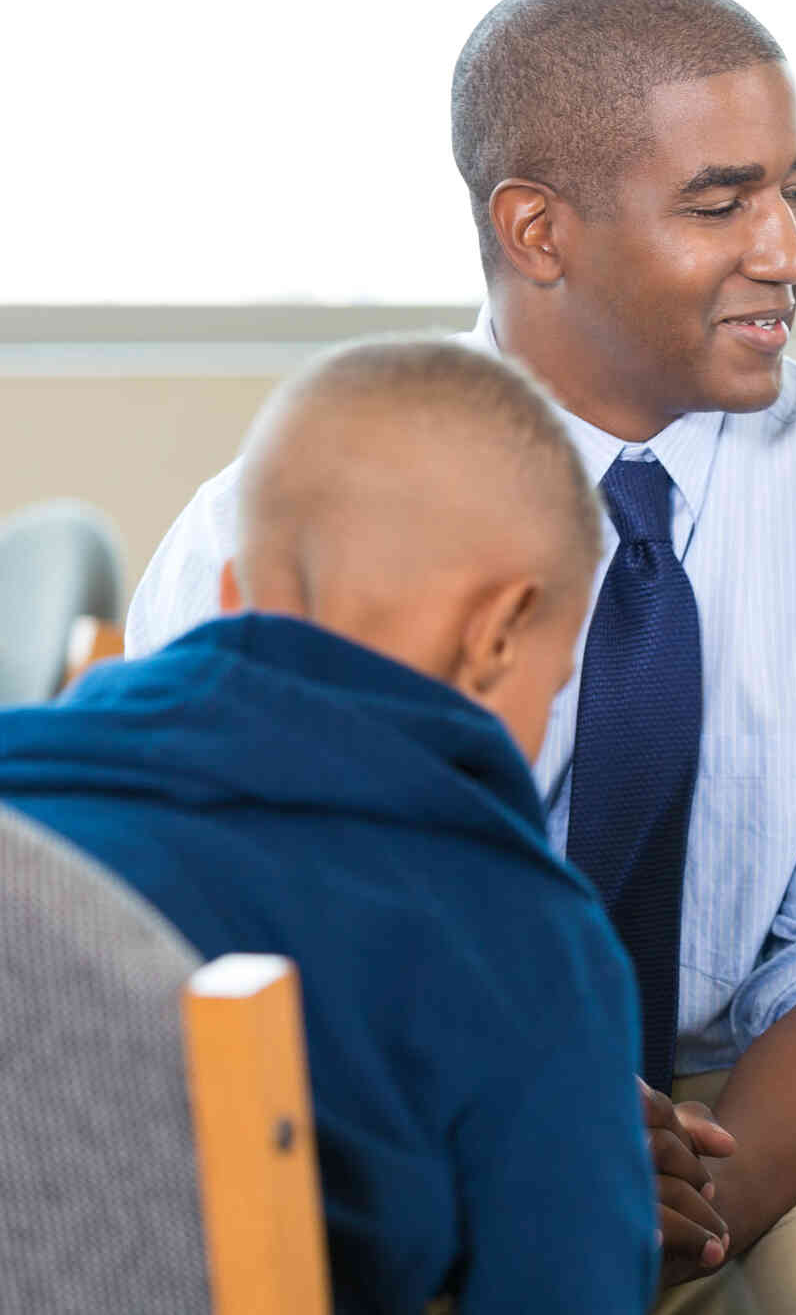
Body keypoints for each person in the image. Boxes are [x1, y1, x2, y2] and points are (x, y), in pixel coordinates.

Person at [124, 0, 796, 1315]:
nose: (789, 251)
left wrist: (655, 1198)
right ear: (538, 232)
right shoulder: (276, 516)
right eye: (722, 202)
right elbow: (226, 930)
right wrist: (524, 1149)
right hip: (384, 1088)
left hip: (748, 1107)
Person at [0, 339, 665, 1314]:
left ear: (230, 594)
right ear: (498, 635)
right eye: (552, 686)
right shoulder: (528, 941)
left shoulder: (25, 791)